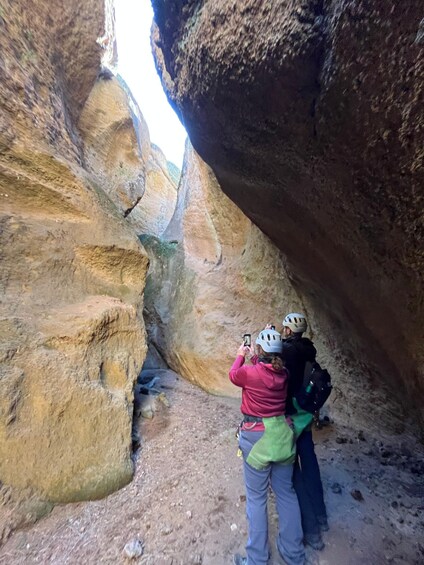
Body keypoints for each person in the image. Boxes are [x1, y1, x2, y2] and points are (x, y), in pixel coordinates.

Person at [229, 328, 305, 565]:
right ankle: (294, 554)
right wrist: (255, 358)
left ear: (259, 350)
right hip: (282, 435)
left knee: (257, 498)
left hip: (256, 438)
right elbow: (265, 371)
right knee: (286, 493)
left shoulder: (250, 373)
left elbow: (234, 375)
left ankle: (257, 559)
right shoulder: (284, 373)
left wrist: (241, 354)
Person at [280, 313, 328, 551]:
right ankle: (321, 516)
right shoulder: (309, 349)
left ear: (288, 330)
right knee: (310, 464)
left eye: (283, 328)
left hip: (291, 416)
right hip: (306, 414)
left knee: (292, 472)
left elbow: (271, 359)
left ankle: (311, 532)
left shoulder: (287, 351)